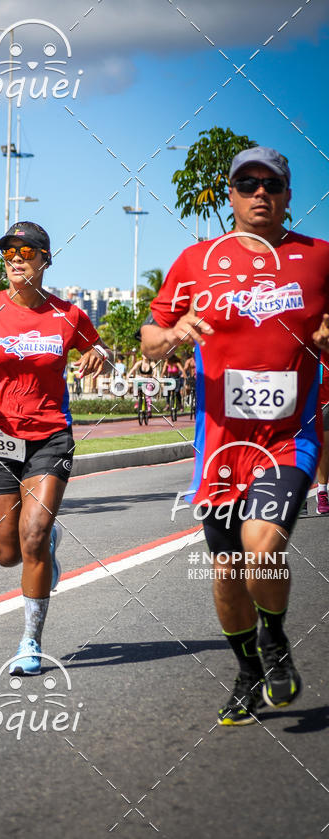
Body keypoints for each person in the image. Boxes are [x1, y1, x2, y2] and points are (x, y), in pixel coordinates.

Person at [141, 146, 329, 726]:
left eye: (270, 184)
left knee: (262, 549)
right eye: (247, 184)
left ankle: (273, 639)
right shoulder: (197, 260)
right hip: (220, 445)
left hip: (287, 438)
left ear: (288, 194)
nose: (259, 194)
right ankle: (248, 670)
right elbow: (148, 337)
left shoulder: (318, 258)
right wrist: (171, 332)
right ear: (231, 195)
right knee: (226, 573)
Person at [0, 222, 111, 676]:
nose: (16, 258)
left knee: (33, 535)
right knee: (5, 552)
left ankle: (30, 643)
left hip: (49, 436)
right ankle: (47, 545)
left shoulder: (68, 315)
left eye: (26, 250)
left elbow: (97, 349)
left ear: (45, 259)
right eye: (8, 252)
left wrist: (98, 354)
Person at [314, 351, 329, 514]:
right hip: (301, 398)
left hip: (325, 400)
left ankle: (322, 491)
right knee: (300, 448)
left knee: (324, 446)